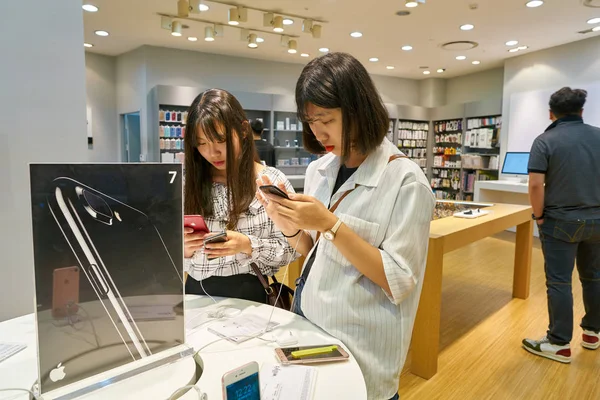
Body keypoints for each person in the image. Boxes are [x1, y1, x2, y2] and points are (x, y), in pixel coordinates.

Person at [257, 53, 435, 400]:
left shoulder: (405, 181)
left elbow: (398, 279)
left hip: (362, 345)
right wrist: (288, 222)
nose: (318, 131)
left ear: (357, 109)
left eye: (326, 119)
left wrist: (331, 225)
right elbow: (311, 252)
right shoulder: (319, 170)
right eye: (310, 121)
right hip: (309, 327)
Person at [183, 88, 297, 303]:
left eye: (220, 140)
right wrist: (183, 249)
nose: (212, 152)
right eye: (202, 143)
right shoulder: (186, 184)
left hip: (252, 295)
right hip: (196, 295)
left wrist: (248, 245)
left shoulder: (270, 180)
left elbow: (293, 249)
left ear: (243, 130)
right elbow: (161, 255)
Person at [523, 87, 600, 363]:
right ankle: (592, 333)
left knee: (559, 281)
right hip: (597, 221)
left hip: (560, 222)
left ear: (551, 113)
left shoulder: (545, 140)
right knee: (594, 278)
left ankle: (559, 343)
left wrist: (539, 216)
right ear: (581, 111)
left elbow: (535, 184)